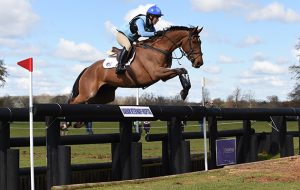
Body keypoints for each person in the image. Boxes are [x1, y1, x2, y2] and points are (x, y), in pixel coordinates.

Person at [115, 4, 164, 74]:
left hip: (132, 39)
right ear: (151, 16)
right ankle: (120, 66)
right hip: (122, 35)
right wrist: (155, 34)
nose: (158, 20)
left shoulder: (151, 27)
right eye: (157, 17)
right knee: (128, 46)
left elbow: (154, 38)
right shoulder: (140, 20)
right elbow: (142, 33)